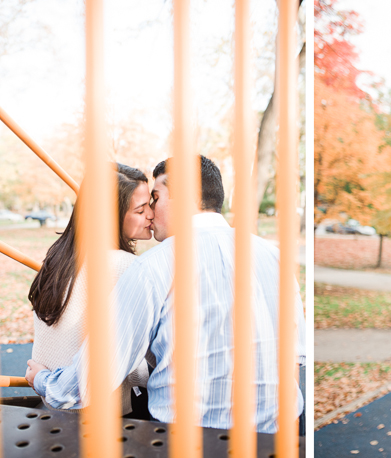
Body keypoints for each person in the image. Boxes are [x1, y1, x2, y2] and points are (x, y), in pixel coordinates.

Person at [26, 155, 305, 434]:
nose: (152, 211)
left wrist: (43, 381)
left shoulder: (153, 268)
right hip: (283, 429)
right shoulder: (276, 258)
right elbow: (297, 354)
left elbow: (93, 378)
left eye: (156, 199)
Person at [28, 163, 154, 416]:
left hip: (51, 403)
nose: (151, 214)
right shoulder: (125, 266)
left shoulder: (57, 258)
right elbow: (124, 363)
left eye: (150, 204)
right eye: (140, 210)